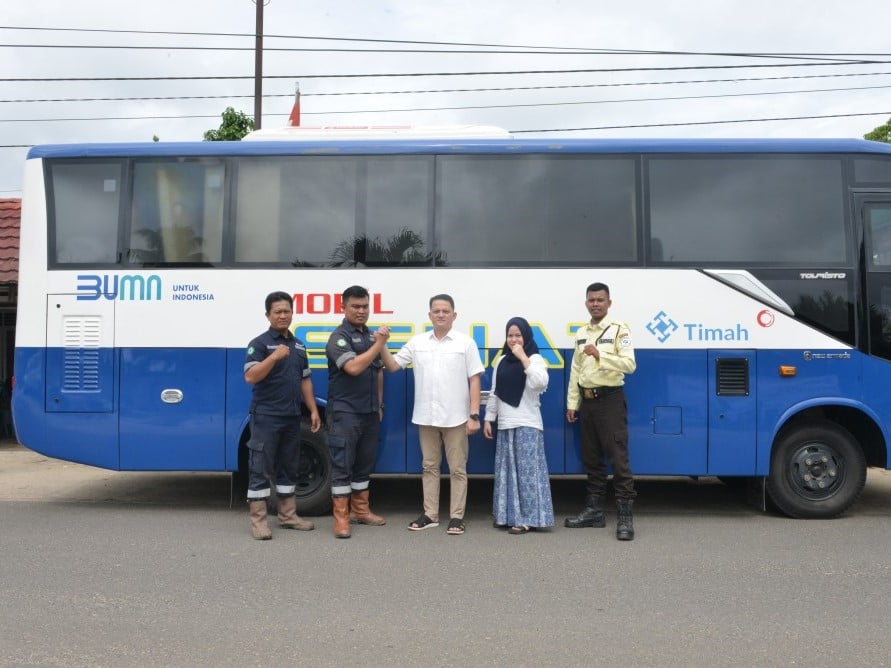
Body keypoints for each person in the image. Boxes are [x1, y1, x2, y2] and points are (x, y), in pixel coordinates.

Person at [381, 294, 484, 535]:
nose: (440, 314)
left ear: (454, 315)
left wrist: (474, 415)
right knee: (429, 467)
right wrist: (382, 344)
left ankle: (457, 517)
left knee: (458, 469)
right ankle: (431, 514)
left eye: (445, 311)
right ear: (429, 315)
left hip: (457, 417)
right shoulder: (417, 342)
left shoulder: (465, 343)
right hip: (426, 416)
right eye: (436, 311)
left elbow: (475, 379)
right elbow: (393, 366)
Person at [243, 290, 321, 540]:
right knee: (260, 468)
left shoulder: (298, 345)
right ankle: (259, 521)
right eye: (277, 312)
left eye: (287, 311)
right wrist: (274, 357)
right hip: (266, 416)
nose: (283, 315)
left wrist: (313, 409)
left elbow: (305, 380)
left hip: (291, 417)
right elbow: (250, 376)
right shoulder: (260, 343)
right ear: (268, 315)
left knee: (289, 466)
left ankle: (288, 516)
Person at [565, 282, 638, 541]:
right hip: (588, 403)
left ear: (609, 303)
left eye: (600, 299)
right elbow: (576, 370)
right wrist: (573, 404)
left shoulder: (619, 330)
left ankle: (625, 519)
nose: (595, 303)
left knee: (618, 458)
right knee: (592, 458)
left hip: (611, 401)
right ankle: (594, 512)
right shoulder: (581, 333)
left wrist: (600, 356)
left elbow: (630, 364)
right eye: (591, 300)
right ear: (586, 303)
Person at [324, 285, 392, 539]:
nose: (361, 311)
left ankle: (360, 510)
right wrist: (379, 344)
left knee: (364, 464)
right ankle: (341, 519)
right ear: (343, 307)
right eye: (355, 306)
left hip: (369, 412)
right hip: (345, 412)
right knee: (343, 465)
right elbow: (353, 368)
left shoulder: (367, 336)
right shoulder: (339, 337)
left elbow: (378, 372)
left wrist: (380, 404)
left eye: (365, 306)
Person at [483, 317, 554, 534]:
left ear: (526, 337)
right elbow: (495, 392)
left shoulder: (535, 359)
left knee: (527, 474)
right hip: (506, 424)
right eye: (510, 335)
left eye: (518, 335)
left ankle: (528, 519)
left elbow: (540, 383)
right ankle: (508, 516)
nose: (513, 339)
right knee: (507, 474)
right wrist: (489, 418)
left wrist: (524, 358)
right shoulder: (501, 361)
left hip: (528, 424)